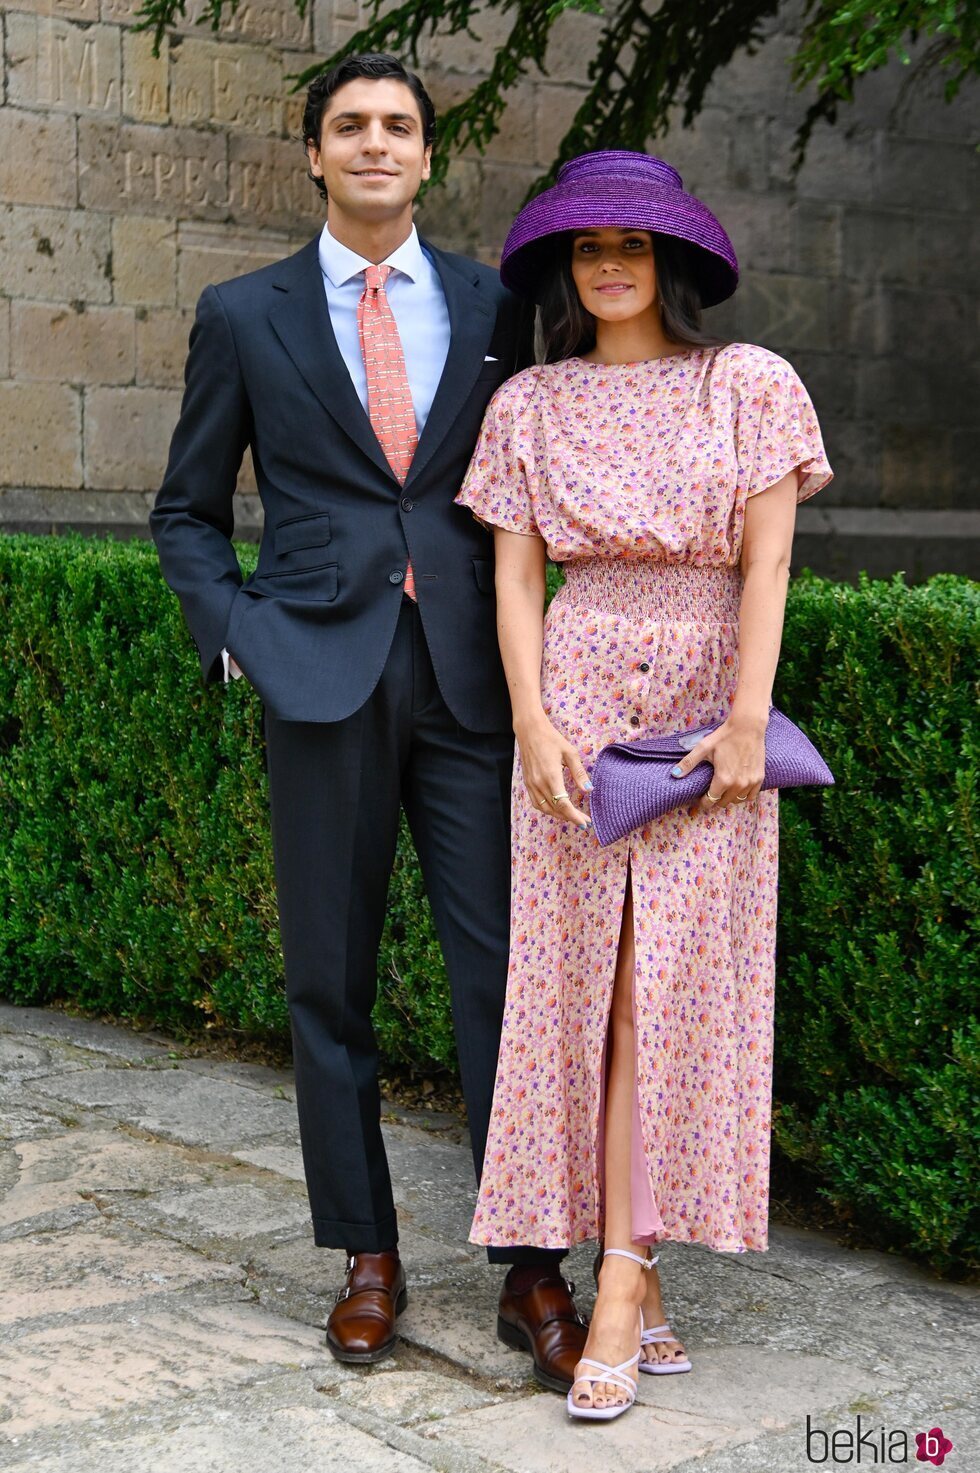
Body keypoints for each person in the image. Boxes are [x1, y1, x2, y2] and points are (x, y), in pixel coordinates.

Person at [150, 53, 589, 1382]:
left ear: (429, 154)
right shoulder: (244, 313)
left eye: (399, 125)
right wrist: (241, 640)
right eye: (351, 126)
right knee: (330, 978)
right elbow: (183, 509)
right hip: (319, 676)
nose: (376, 143)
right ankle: (367, 1253)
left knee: (503, 972)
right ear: (314, 153)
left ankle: (531, 1267)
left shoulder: (494, 303)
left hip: (471, 678)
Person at [455, 151, 832, 1421]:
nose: (607, 263)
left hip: (700, 716)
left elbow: (767, 570)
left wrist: (740, 719)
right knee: (583, 992)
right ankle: (637, 1268)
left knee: (666, 992)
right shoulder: (532, 405)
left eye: (630, 241)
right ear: (565, 270)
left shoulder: (750, 384)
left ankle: (620, 1277)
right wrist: (530, 722)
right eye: (584, 246)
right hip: (571, 705)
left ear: (671, 257)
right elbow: (513, 580)